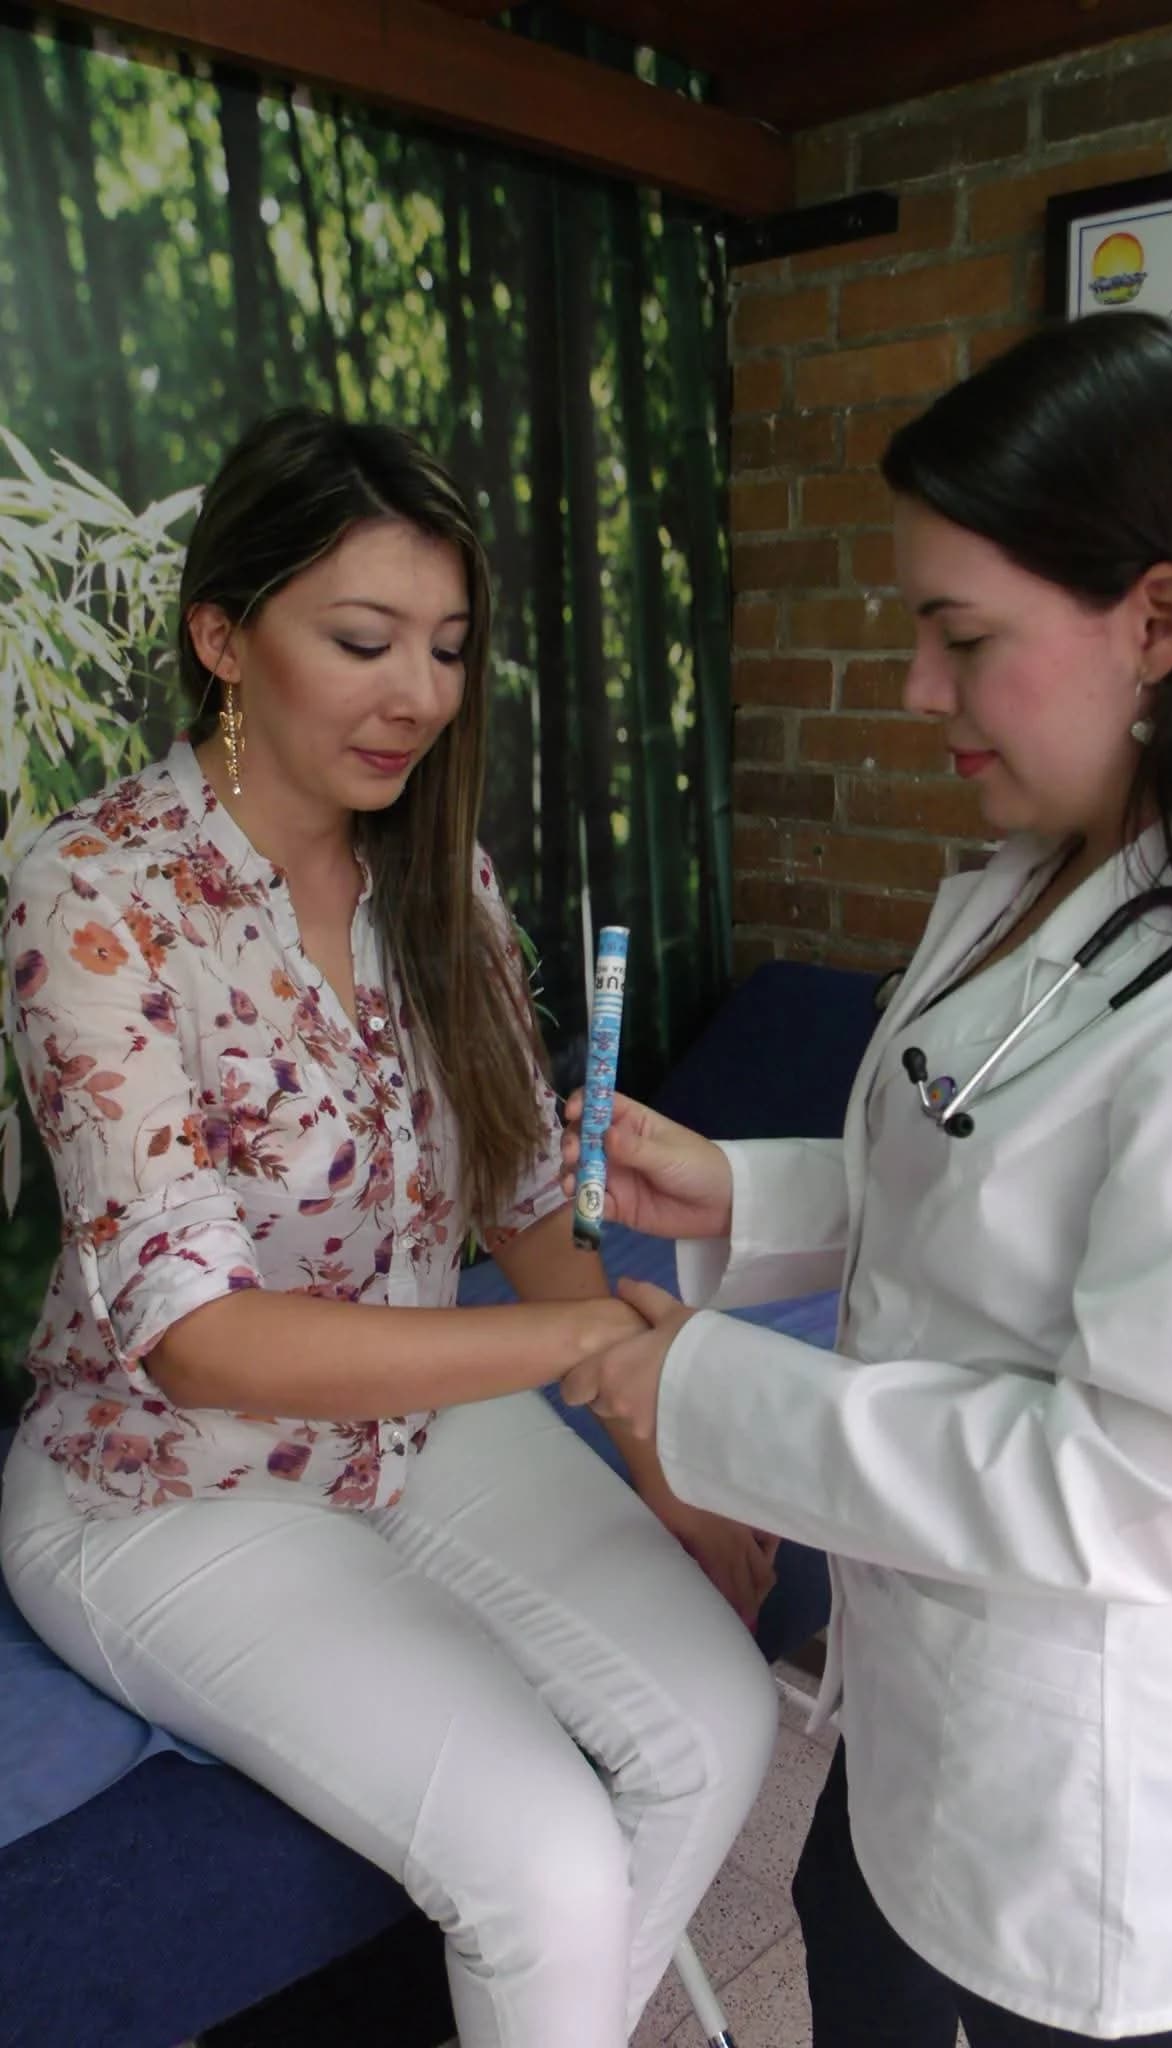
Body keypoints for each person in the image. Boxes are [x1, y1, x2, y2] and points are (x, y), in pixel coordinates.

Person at [558, 312, 1172, 2048]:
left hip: (1094, 1802)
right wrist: (742, 1197)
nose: (921, 690)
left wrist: (706, 1391)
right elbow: (978, 1171)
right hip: (926, 1712)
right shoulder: (1031, 882)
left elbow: (1139, 1485)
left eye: (960, 637)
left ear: (1157, 623)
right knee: (860, 1943)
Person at [0, 409, 779, 2048]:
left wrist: (663, 1459)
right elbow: (200, 1342)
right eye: (362, 640)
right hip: (164, 1484)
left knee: (718, 1720)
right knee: (548, 1867)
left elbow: (520, 1199)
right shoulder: (90, 892)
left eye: (443, 648)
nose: (417, 693)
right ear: (224, 637)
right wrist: (583, 1340)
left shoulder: (444, 879)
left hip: (417, 1430)